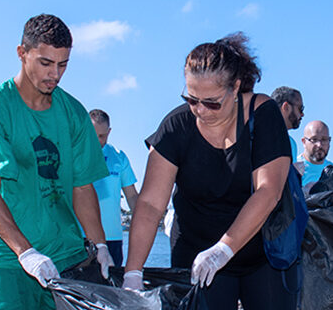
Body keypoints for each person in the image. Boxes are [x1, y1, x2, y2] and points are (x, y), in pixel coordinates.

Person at [123, 32, 297, 309]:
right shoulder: (176, 126)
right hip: (196, 255)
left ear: (235, 87)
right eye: (192, 99)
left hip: (263, 252)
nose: (201, 110)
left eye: (212, 102)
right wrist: (132, 272)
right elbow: (150, 204)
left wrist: (223, 249)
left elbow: (268, 191)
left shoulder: (263, 113)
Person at [0, 12, 114, 310]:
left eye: (63, 65)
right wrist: (26, 253)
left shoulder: (74, 113)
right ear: (22, 53)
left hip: (67, 254)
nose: (55, 74)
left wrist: (100, 244)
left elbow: (83, 187)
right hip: (8, 259)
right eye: (46, 63)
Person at [89, 109, 140, 265]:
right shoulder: (74, 155)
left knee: (111, 279)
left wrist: (143, 223)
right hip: (82, 236)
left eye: (102, 136)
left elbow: (131, 195)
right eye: (93, 135)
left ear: (109, 132)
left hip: (112, 237)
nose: (98, 141)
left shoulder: (119, 157)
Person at [270, 86, 305, 162]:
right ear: (286, 107)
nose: (302, 114)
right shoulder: (261, 136)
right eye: (300, 109)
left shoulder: (290, 142)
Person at [295, 120, 333, 187]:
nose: (319, 145)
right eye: (314, 139)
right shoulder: (295, 169)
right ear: (304, 142)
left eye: (324, 139)